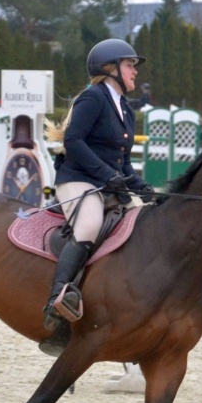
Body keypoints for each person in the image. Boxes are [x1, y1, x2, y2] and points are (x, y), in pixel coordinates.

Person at [41, 38, 155, 332]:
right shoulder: (93, 98)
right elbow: (73, 141)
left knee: (141, 223)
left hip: (108, 183)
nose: (135, 71)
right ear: (110, 68)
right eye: (130, 65)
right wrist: (107, 176)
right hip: (78, 179)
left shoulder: (126, 110)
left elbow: (123, 161)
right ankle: (57, 298)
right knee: (89, 225)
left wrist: (140, 185)